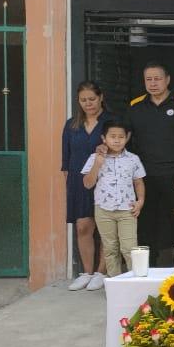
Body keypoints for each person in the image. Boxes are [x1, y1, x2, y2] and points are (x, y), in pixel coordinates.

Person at [126, 61, 174, 266]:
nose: (153, 83)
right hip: (143, 177)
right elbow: (124, 137)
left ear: (167, 80)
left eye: (157, 79)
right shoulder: (135, 106)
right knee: (145, 224)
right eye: (148, 79)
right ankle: (146, 268)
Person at [82, 119, 145, 277]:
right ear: (104, 138)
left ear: (127, 137)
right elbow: (87, 184)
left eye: (121, 137)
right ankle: (115, 282)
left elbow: (138, 182)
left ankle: (136, 281)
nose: (117, 140)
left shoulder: (133, 159)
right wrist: (97, 164)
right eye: (112, 136)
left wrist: (140, 201)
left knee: (130, 248)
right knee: (110, 249)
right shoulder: (94, 158)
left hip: (127, 210)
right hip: (103, 210)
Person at [63, 81, 108, 290]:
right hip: (77, 181)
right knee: (83, 226)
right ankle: (87, 272)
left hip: (106, 181)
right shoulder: (71, 125)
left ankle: (101, 272)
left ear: (101, 98)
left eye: (92, 99)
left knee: (106, 228)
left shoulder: (111, 122)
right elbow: (66, 160)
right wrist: (69, 186)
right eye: (83, 100)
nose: (88, 103)